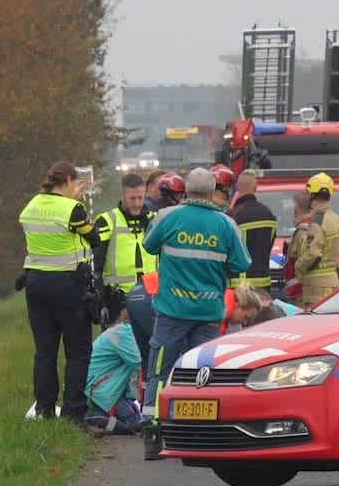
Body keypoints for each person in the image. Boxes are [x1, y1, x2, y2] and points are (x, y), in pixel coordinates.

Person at [139, 167, 250, 454]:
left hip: (172, 311)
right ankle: (202, 433)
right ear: (213, 191)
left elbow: (149, 246)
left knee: (160, 372)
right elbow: (242, 263)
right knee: (205, 375)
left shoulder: (168, 217)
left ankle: (152, 431)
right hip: (209, 313)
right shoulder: (225, 224)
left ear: (186, 191)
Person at [17, 161, 97, 422]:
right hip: (67, 285)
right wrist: (80, 203)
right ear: (71, 181)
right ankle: (74, 412)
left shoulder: (32, 205)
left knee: (45, 350)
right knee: (78, 350)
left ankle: (45, 409)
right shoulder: (73, 209)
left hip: (36, 283)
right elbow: (93, 237)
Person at [91, 173, 155, 328]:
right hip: (117, 298)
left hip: (150, 295)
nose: (137, 203)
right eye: (132, 198)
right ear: (122, 196)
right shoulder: (108, 220)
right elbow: (96, 264)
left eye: (140, 198)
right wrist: (99, 299)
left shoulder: (154, 219)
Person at [84, 307, 145, 435]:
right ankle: (91, 417)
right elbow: (138, 363)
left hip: (101, 386)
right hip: (103, 388)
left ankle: (97, 415)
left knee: (135, 420)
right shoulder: (125, 333)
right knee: (133, 423)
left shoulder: (121, 331)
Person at [298, 173, 339, 305]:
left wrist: (298, 267)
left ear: (311, 194)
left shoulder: (317, 221)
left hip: (316, 287)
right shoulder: (336, 218)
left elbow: (313, 254)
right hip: (332, 281)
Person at [229, 169, 278, 292]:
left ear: (237, 187)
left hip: (239, 286)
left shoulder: (232, 216)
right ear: (255, 188)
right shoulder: (269, 214)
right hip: (264, 284)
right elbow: (269, 245)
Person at [286, 191, 336, 306]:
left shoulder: (303, 230)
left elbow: (309, 256)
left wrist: (298, 268)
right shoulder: (321, 223)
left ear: (296, 209)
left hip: (301, 290)